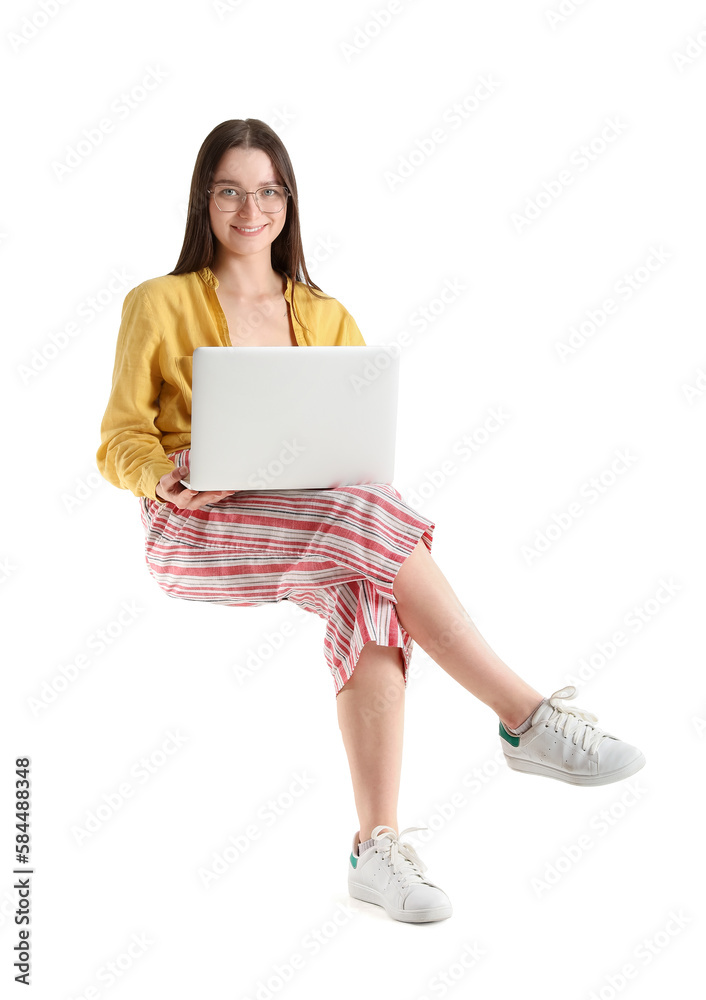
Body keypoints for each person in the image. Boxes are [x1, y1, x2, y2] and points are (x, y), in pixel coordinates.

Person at [96, 118, 646, 925]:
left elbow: (349, 447)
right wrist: (162, 481)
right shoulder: (157, 302)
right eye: (231, 191)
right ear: (204, 200)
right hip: (194, 528)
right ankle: (525, 717)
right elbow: (118, 439)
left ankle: (375, 847)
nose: (252, 208)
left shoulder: (325, 313)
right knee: (373, 522)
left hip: (322, 519)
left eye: (268, 190)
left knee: (370, 593)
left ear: (288, 201)